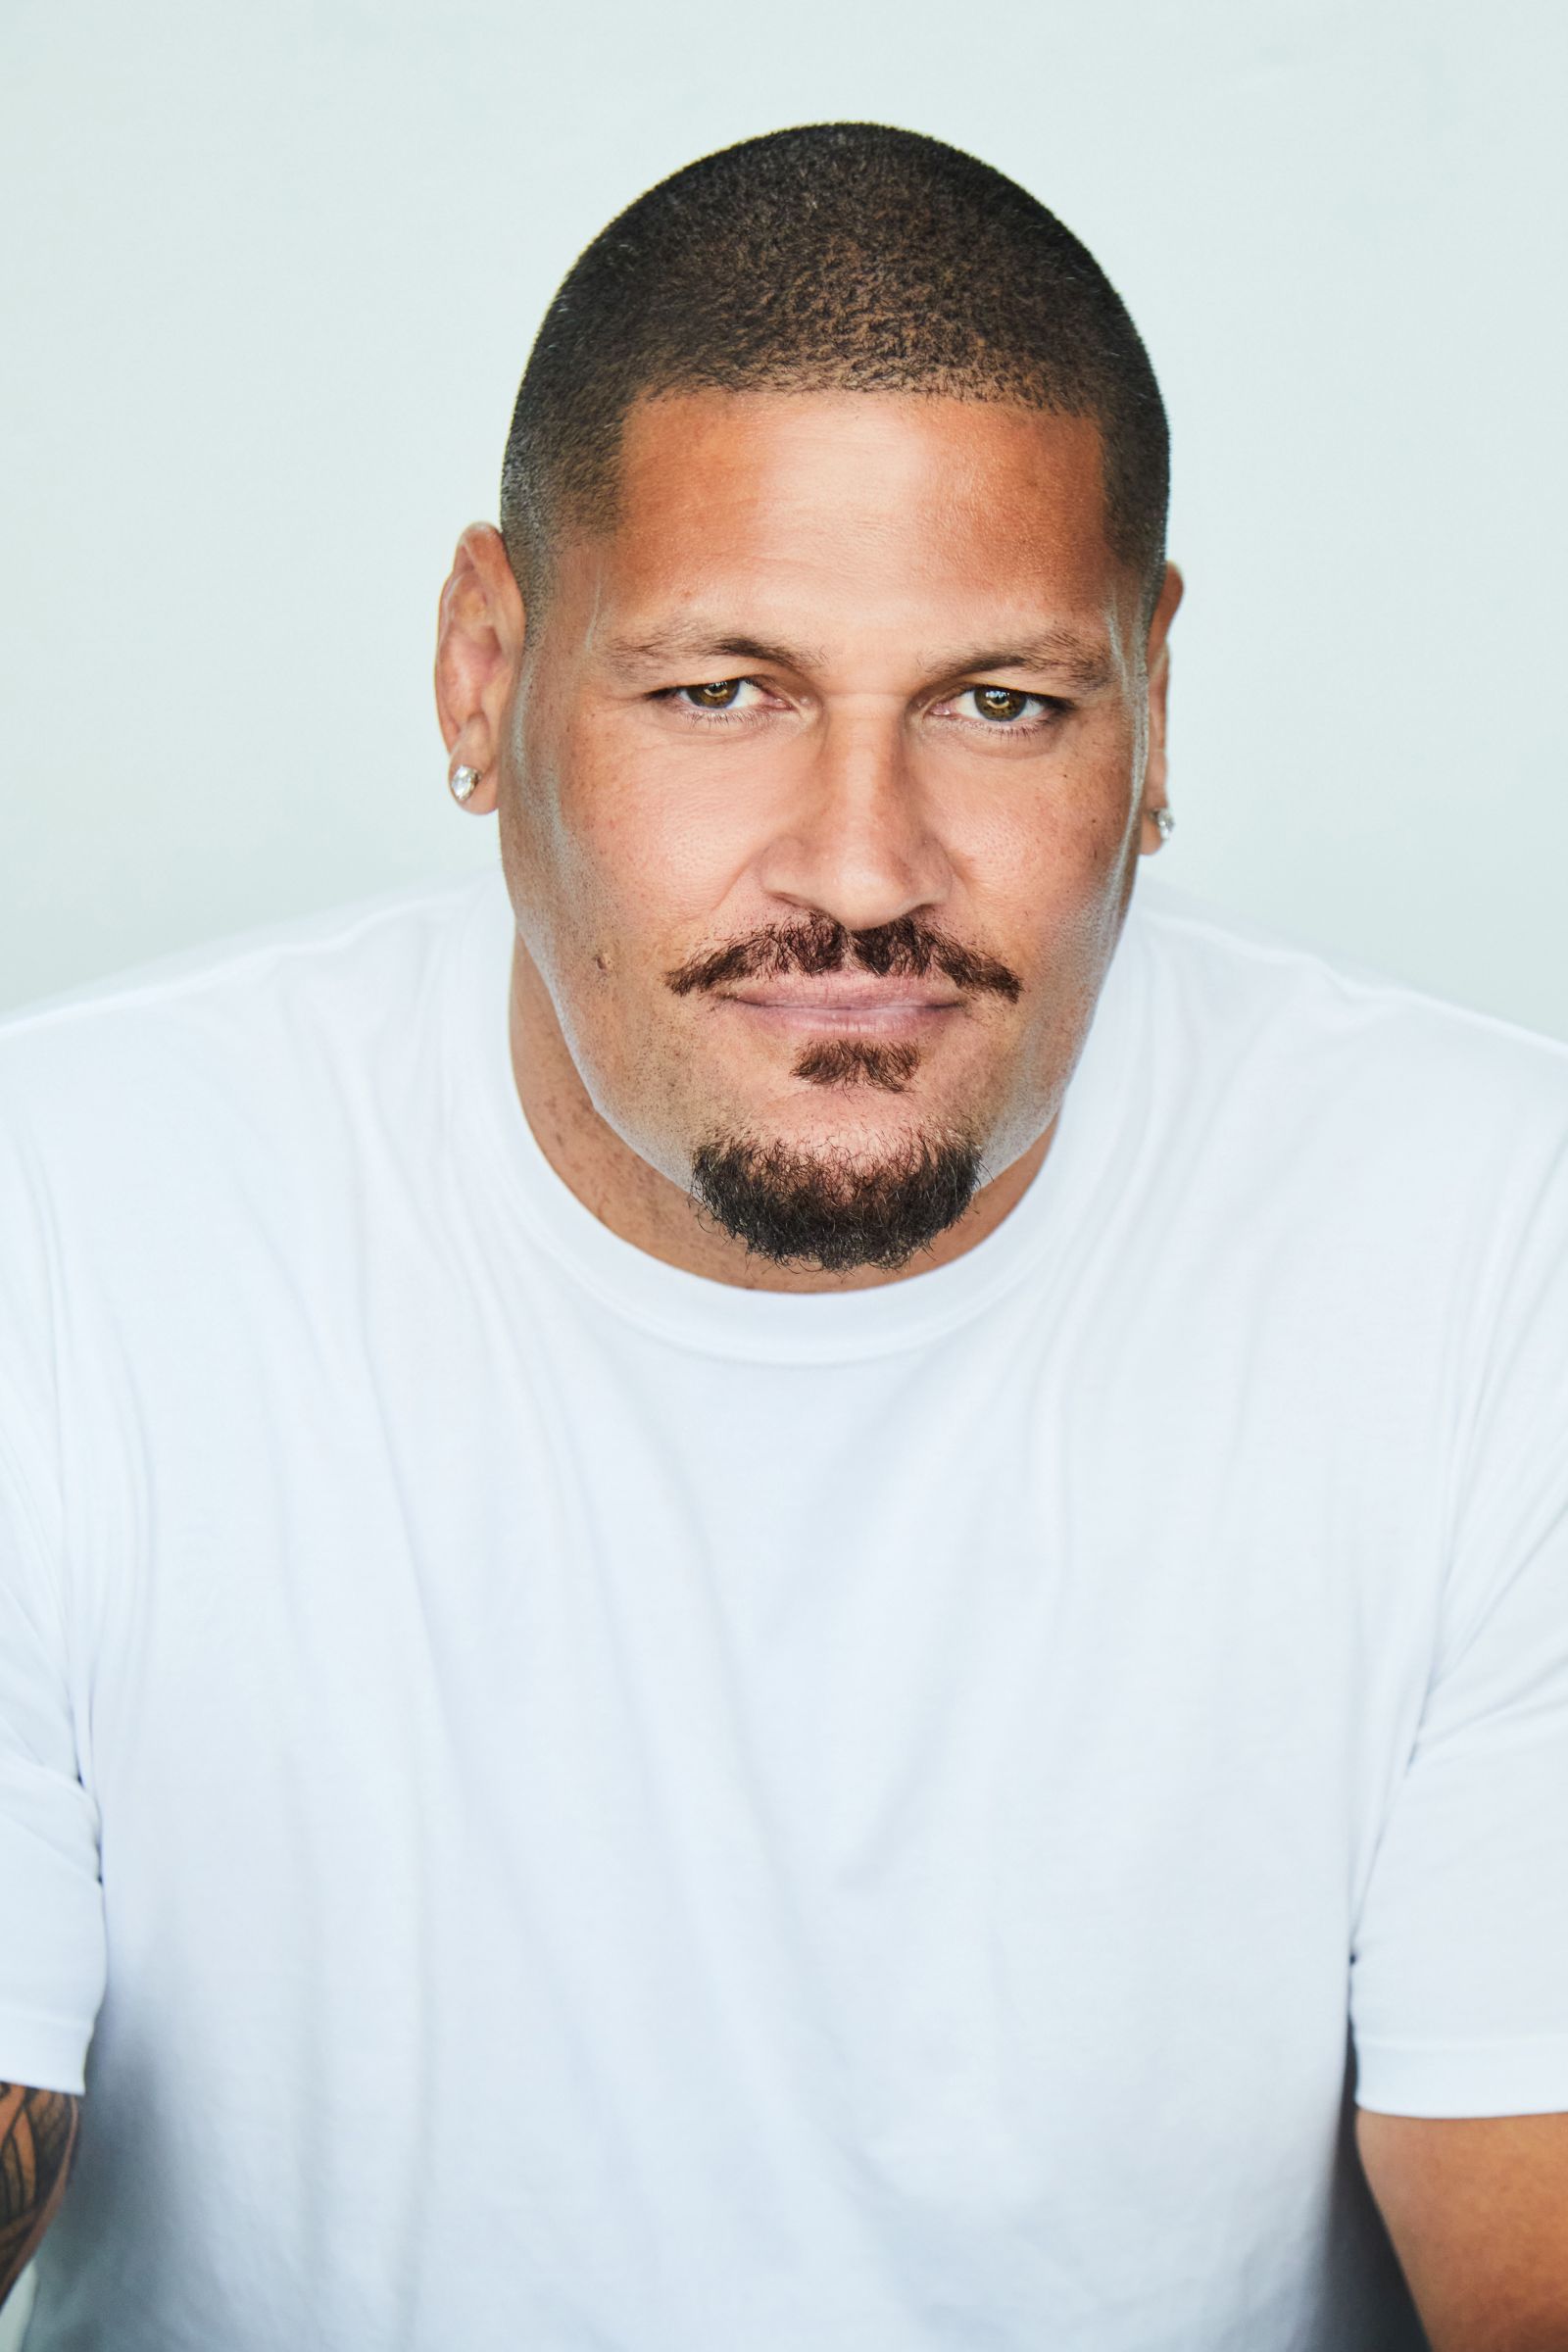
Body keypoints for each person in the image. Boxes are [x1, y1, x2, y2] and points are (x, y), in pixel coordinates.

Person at [1, 120, 1564, 2352]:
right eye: (722, 690)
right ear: (482, 674)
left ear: (1149, 699)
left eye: (998, 703)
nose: (859, 870)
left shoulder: (1498, 1250)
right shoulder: (58, 1215)